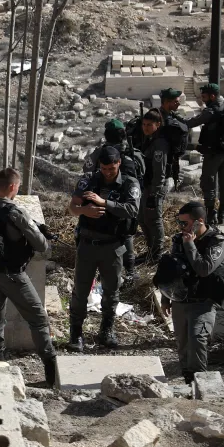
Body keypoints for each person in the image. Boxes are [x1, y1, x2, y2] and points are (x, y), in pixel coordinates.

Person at [0, 168, 57, 384]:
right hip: (12, 275)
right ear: (12, 187)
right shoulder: (16, 213)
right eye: (17, 187)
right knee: (38, 318)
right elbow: (41, 245)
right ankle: (50, 366)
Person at [68, 146, 141, 351]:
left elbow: (132, 209)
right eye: (104, 168)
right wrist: (85, 210)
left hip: (113, 246)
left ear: (118, 163)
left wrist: (104, 203)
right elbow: (72, 207)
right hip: (87, 244)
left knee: (111, 291)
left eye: (111, 168)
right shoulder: (89, 180)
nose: (108, 172)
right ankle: (76, 333)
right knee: (81, 291)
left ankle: (107, 330)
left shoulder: (129, 183)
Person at [161, 201, 224, 384]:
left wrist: (190, 245)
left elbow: (204, 269)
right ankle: (187, 380)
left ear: (199, 221)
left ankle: (199, 381)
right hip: (180, 300)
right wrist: (165, 298)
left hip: (203, 302)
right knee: (183, 344)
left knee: (197, 340)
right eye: (179, 223)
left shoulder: (217, 241)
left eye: (185, 223)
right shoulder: (179, 240)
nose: (181, 227)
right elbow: (172, 270)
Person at [83, 119, 146, 280]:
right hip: (129, 198)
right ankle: (130, 271)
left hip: (102, 198)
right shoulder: (133, 153)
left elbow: (87, 170)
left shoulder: (100, 153)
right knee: (127, 231)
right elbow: (143, 173)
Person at [187, 83, 224, 226]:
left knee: (208, 182)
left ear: (212, 96)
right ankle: (223, 213)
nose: (203, 100)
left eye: (204, 97)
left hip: (213, 153)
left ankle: (211, 214)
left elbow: (193, 122)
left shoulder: (211, 111)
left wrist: (177, 121)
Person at [139, 109, 174, 265]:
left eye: (149, 125)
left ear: (158, 125)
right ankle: (151, 250)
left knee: (154, 219)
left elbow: (160, 171)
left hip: (155, 187)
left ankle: (157, 253)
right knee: (142, 218)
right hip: (147, 186)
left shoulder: (159, 143)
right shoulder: (150, 139)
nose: (145, 127)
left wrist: (155, 193)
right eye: (144, 124)